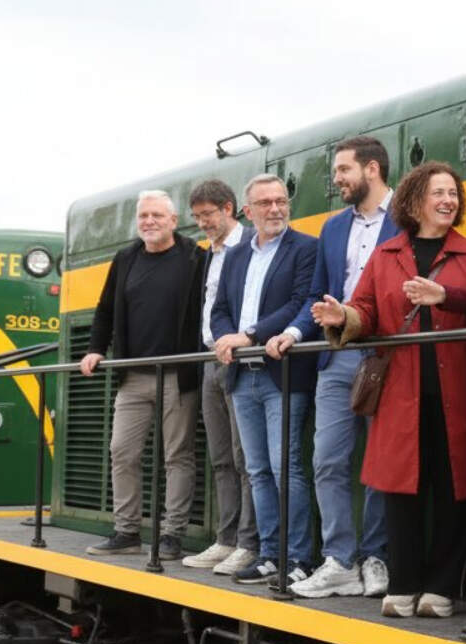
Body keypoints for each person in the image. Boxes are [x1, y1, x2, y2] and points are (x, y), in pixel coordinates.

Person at [317, 161, 466, 619]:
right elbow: (366, 308)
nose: (448, 200)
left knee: (453, 489)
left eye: (453, 193)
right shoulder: (386, 254)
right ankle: (404, 582)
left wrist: (446, 297)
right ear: (414, 202)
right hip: (401, 392)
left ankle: (443, 587)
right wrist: (343, 317)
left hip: (457, 391)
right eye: (438, 193)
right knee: (400, 490)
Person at [267, 136, 399, 599]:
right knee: (327, 460)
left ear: (372, 169)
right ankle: (340, 559)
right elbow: (316, 297)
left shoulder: (407, 217)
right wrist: (295, 333)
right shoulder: (333, 227)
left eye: (343, 170)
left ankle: (376, 555)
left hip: (387, 355)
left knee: (381, 463)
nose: (336, 179)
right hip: (337, 355)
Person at [82, 190, 203, 560]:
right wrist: (95, 348)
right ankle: (127, 531)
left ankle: (171, 536)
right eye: (143, 216)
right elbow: (104, 310)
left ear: (173, 219)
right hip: (132, 375)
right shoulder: (126, 258)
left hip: (176, 374)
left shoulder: (195, 256)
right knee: (121, 450)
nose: (149, 222)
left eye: (156, 215)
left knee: (177, 455)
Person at [210, 174, 319, 586]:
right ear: (248, 210)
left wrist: (250, 335)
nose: (275, 209)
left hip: (282, 374)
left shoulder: (305, 248)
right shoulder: (236, 255)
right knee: (256, 469)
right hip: (243, 376)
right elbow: (220, 308)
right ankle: (270, 553)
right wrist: (224, 337)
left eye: (280, 201)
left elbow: (299, 301)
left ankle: (298, 558)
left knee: (284, 465)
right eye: (266, 203)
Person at [182, 179, 258, 576]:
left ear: (229, 208)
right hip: (210, 359)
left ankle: (248, 543)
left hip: (240, 359)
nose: (203, 224)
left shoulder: (250, 247)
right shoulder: (206, 255)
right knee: (221, 458)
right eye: (197, 218)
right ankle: (226, 539)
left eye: (208, 215)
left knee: (246, 458)